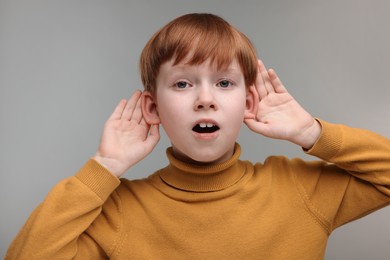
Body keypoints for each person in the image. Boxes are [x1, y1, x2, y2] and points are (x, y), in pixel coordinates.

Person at [6, 13, 390, 260]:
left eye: (224, 82)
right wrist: (104, 168)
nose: (205, 99)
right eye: (184, 83)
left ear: (249, 102)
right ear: (153, 109)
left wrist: (311, 132)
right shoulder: (120, 212)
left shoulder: (298, 189)